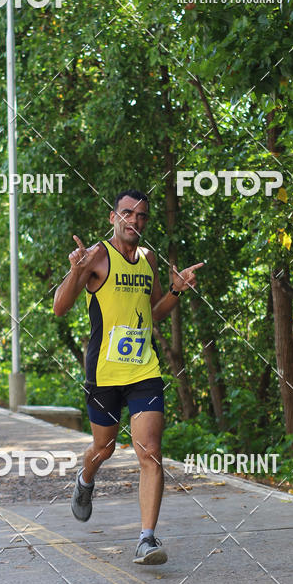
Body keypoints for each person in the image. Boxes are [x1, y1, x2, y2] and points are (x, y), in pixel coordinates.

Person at [53, 190, 203, 564]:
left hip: (144, 370)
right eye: (127, 214)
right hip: (104, 372)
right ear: (113, 218)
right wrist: (75, 272)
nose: (134, 221)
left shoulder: (149, 259)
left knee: (150, 450)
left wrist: (175, 290)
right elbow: (59, 308)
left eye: (141, 217)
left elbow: (153, 312)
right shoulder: (97, 257)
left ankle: (146, 539)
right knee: (103, 449)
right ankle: (85, 479)